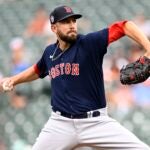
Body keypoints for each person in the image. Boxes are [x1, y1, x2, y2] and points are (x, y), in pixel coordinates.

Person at [0, 5, 150, 150]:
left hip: (96, 122)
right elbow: (37, 69)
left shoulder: (90, 43)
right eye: (65, 21)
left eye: (73, 20)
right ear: (54, 28)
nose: (71, 25)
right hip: (60, 124)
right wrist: (13, 80)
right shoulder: (50, 53)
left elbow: (125, 26)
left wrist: (148, 48)